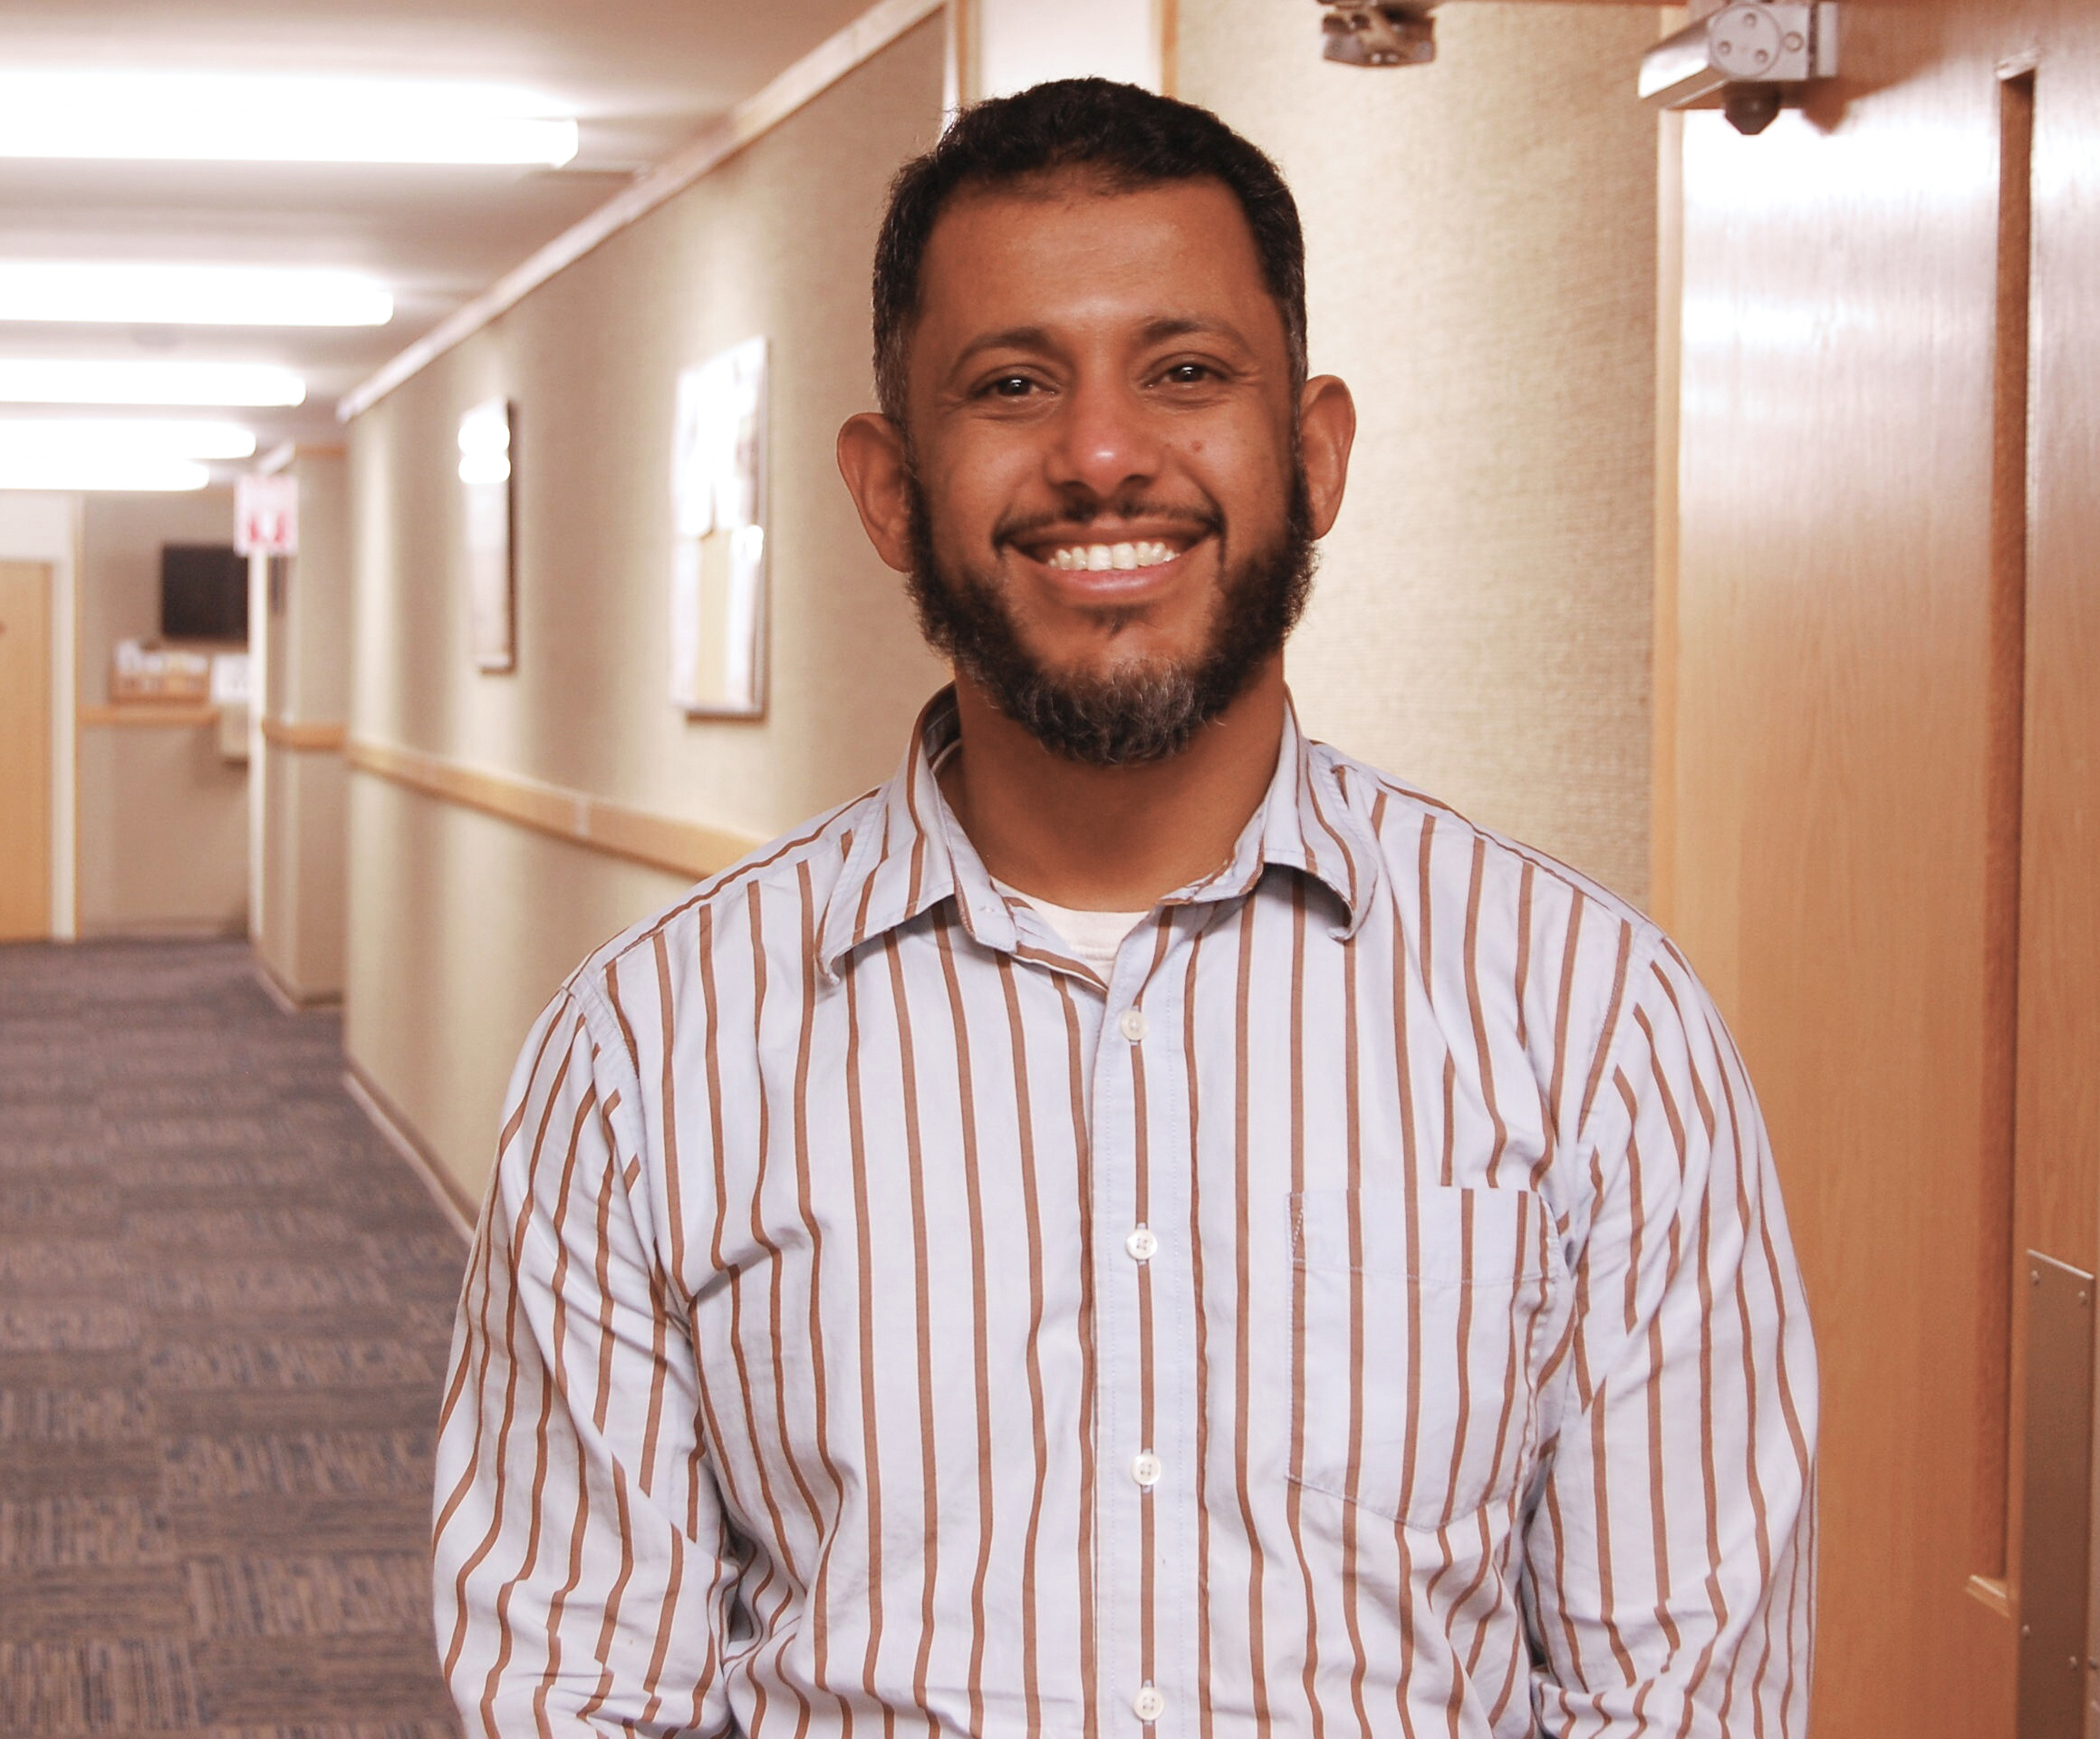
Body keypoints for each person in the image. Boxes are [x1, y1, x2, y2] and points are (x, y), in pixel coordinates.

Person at [431, 76, 1815, 1736]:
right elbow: (575, 1688)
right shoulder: (646, 1056)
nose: (1101, 457)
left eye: (1183, 373)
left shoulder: (1594, 1025)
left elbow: (1683, 1693)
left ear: (1310, 455)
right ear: (888, 489)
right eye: (1013, 384)